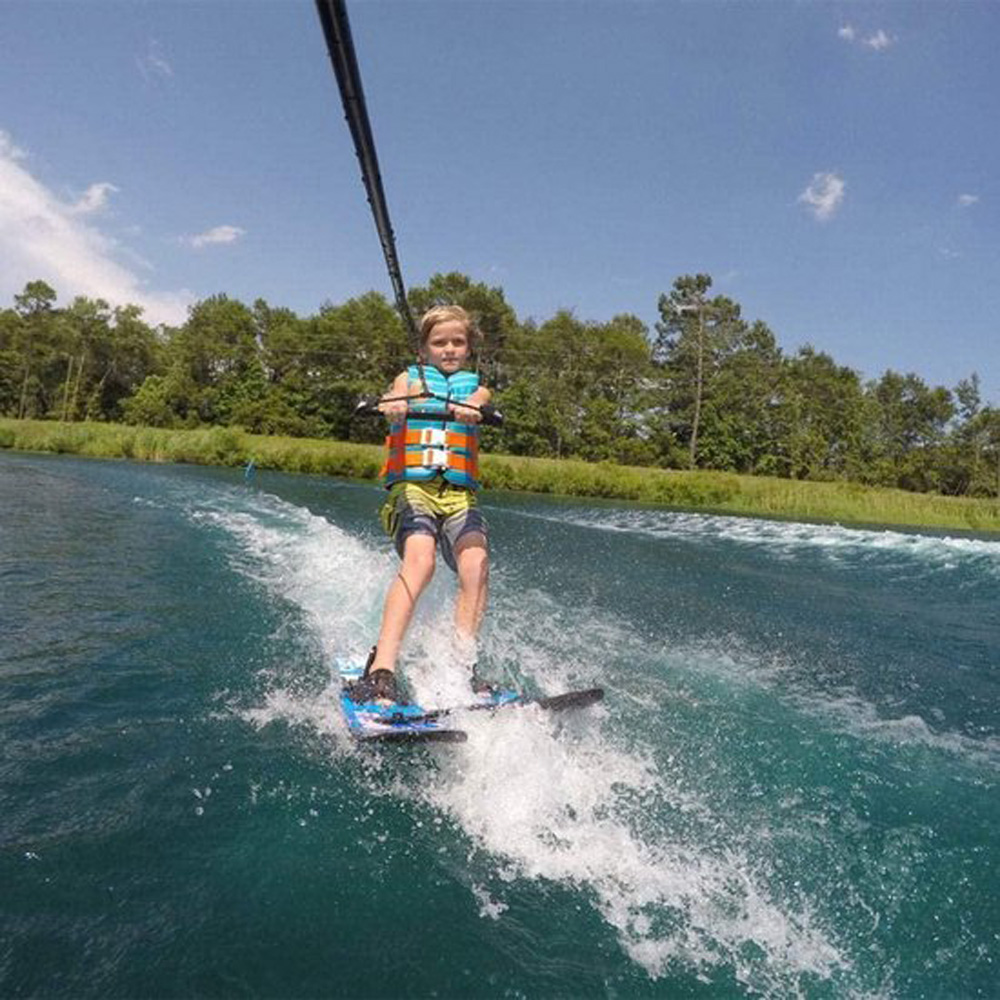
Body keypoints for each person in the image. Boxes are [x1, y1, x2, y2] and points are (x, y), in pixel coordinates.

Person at [348, 305, 492, 704]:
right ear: (425, 348)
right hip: (413, 490)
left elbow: (481, 399)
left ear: (469, 347)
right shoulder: (409, 379)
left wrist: (473, 409)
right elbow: (394, 396)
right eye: (439, 342)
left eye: (457, 342)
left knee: (476, 564)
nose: (449, 349)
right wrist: (393, 404)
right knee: (421, 561)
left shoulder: (477, 387)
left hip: (458, 493)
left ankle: (461, 667)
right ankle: (382, 669)